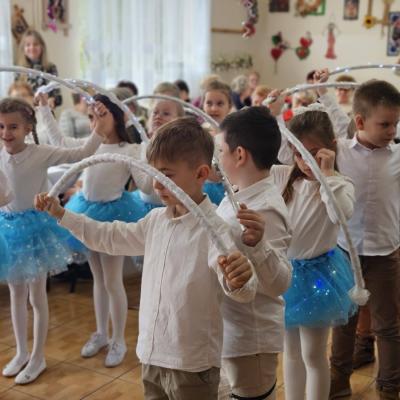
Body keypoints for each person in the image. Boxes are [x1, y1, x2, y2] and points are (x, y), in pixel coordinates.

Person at [35, 117, 257, 399]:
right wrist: (62, 214)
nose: (156, 184)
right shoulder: (155, 221)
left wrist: (240, 279)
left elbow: (241, 289)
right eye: (153, 174)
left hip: (192, 363)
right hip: (151, 356)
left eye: (166, 175)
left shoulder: (215, 230)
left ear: (201, 174)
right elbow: (109, 236)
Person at [0, 96, 104, 385]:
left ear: (28, 128)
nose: (6, 133)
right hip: (7, 229)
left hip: (36, 229)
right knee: (16, 294)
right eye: (1, 126)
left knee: (36, 295)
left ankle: (38, 356)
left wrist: (99, 126)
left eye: (13, 127)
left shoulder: (40, 153)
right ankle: (21, 352)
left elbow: (82, 153)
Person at [315, 70, 400, 400]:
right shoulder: (341, 151)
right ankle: (338, 382)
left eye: (396, 124)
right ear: (361, 122)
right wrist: (323, 92)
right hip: (344, 252)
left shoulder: (397, 155)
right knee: (343, 320)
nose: (392, 131)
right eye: (385, 124)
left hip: (385, 253)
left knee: (388, 325)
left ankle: (390, 386)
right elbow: (334, 118)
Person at [269, 99, 357, 400]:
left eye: (312, 152)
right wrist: (271, 113)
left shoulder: (340, 184)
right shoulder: (283, 176)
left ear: (331, 147)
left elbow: (340, 215)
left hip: (320, 278)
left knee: (313, 353)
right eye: (298, 153)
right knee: (290, 352)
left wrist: (327, 175)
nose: (304, 161)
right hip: (286, 274)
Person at [61, 94, 152, 368]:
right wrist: (43, 110)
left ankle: (118, 339)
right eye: (91, 117)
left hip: (114, 217)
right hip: (86, 212)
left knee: (112, 282)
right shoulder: (90, 146)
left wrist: (147, 153)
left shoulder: (130, 149)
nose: (95, 123)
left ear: (118, 116)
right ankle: (101, 333)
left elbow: (145, 186)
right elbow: (58, 142)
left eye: (101, 115)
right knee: (98, 280)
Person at [217, 106, 292, 399]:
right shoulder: (237, 193)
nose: (217, 159)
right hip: (231, 328)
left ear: (239, 155)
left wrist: (260, 246)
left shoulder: (266, 209)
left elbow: (278, 283)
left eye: (220, 151)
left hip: (250, 337)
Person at [16, 29, 62, 108]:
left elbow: (58, 97)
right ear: (23, 49)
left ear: (42, 47)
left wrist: (53, 99)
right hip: (24, 111)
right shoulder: (19, 70)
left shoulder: (50, 68)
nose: (32, 48)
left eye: (35, 44)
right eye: (28, 45)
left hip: (44, 110)